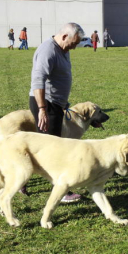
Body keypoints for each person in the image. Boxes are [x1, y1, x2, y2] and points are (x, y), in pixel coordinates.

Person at [29, 22, 84, 203]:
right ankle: (61, 193)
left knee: (48, 147)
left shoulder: (62, 50)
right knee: (53, 150)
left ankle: (23, 180)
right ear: (64, 36)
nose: (74, 47)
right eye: (73, 43)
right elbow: (38, 80)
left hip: (55, 105)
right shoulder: (48, 50)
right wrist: (42, 109)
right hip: (46, 105)